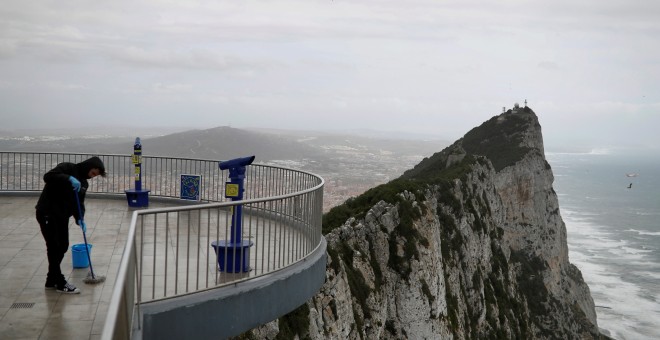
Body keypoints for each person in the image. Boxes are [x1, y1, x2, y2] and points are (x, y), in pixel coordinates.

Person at [35, 156, 106, 294]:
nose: (92, 177)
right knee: (54, 246)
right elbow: (48, 176)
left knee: (63, 245)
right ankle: (60, 282)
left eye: (95, 176)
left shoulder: (84, 183)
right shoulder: (67, 168)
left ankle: (51, 279)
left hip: (61, 217)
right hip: (47, 213)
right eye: (93, 173)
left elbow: (78, 203)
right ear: (88, 166)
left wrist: (80, 218)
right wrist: (67, 178)